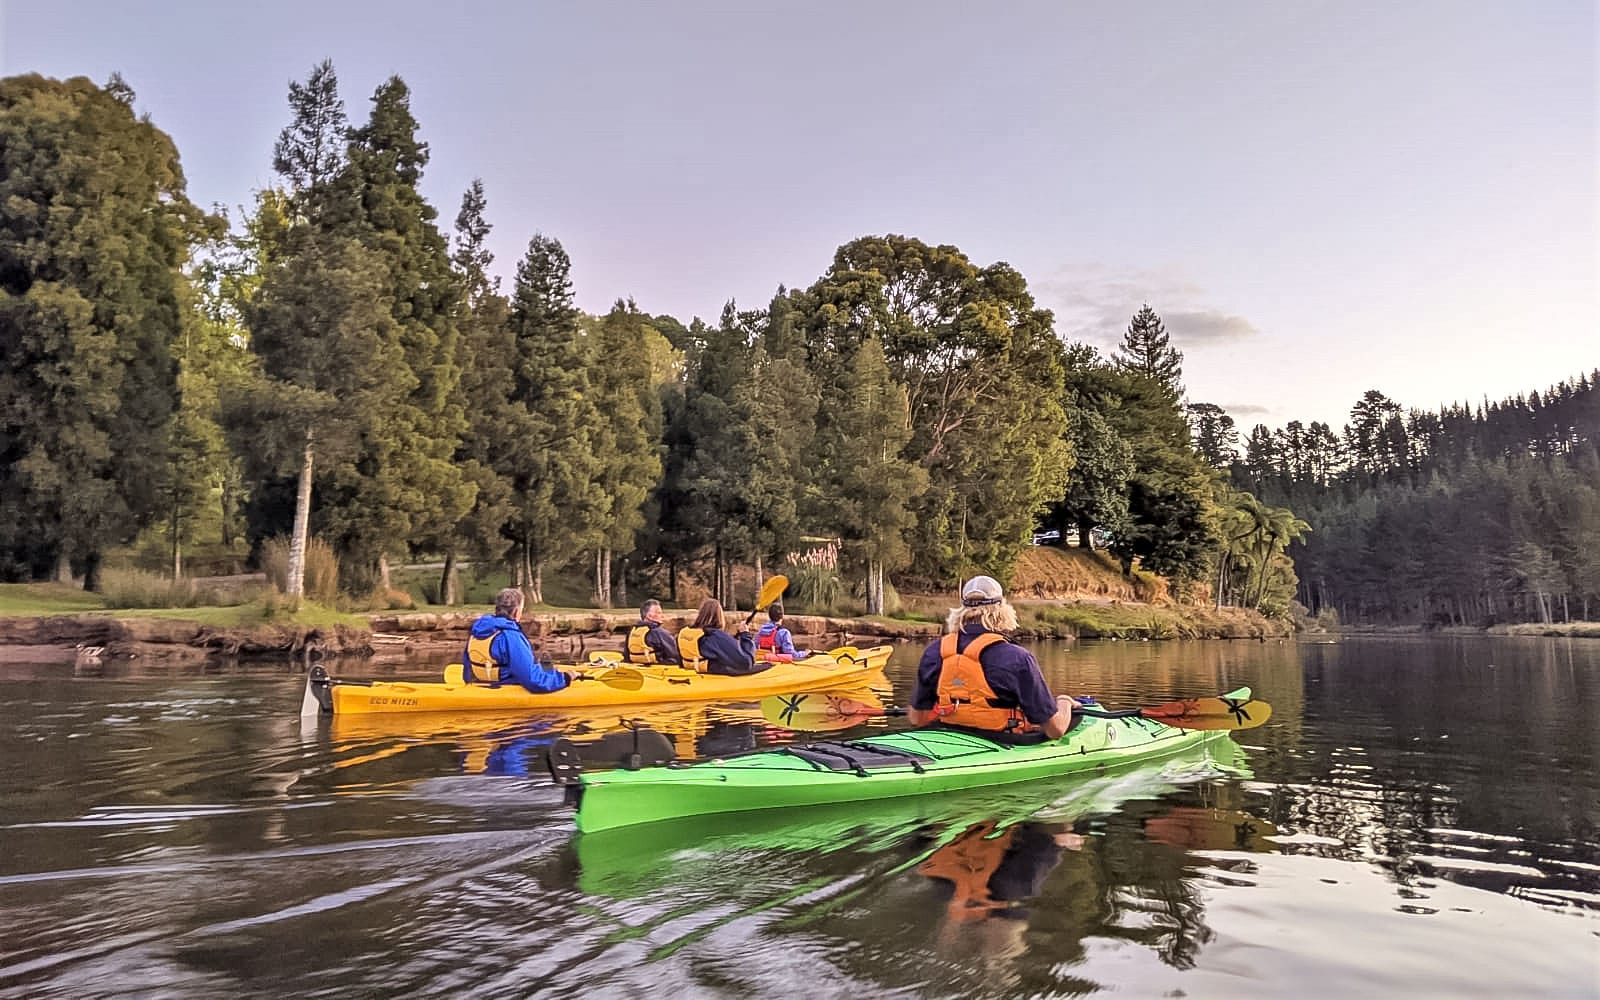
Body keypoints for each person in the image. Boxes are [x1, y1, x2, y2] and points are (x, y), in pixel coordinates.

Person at [907, 575, 1074, 739]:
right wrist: (1065, 701)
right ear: (1001, 611)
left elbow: (917, 718)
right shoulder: (1018, 658)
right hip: (1001, 742)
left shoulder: (934, 651)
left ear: (961, 611)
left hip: (951, 739)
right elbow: (1055, 730)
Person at [462, 587, 573, 693]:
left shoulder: (476, 631)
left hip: (481, 684)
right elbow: (531, 680)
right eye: (521, 609)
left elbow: (467, 670)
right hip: (507, 687)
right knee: (546, 670)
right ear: (516, 612)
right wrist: (565, 678)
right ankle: (555, 672)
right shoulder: (511, 636)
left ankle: (549, 669)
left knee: (544, 665)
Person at [677, 598, 772, 676]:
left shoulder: (684, 633)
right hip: (715, 675)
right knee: (767, 665)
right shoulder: (714, 636)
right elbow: (747, 663)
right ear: (719, 616)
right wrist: (745, 635)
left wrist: (735, 639)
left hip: (694, 672)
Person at [625, 599, 681, 665]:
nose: (662, 616)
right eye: (659, 613)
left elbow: (626, 656)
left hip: (639, 668)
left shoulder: (632, 632)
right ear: (649, 616)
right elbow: (675, 654)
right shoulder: (659, 633)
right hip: (660, 669)